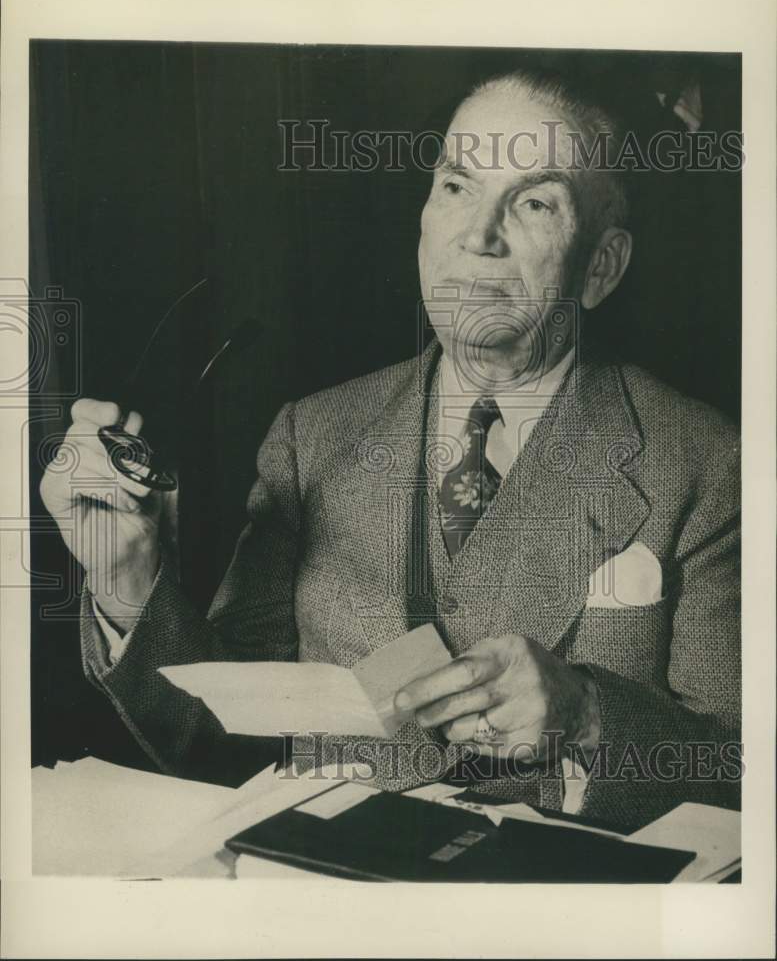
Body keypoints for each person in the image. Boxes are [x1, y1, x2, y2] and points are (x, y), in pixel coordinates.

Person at [40, 68, 741, 831]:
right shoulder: (313, 435)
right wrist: (127, 581)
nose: (477, 235)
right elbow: (218, 741)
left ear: (599, 266)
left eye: (533, 202)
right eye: (455, 187)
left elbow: (736, 769)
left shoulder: (705, 463)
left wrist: (586, 716)